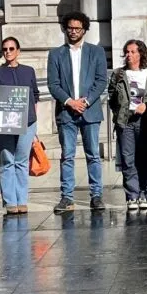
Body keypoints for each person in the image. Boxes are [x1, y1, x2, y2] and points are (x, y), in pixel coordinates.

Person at [47, 11, 108, 213]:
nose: (73, 32)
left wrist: (86, 101)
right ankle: (67, 197)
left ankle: (96, 195)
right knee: (68, 156)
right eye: (70, 28)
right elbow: (53, 84)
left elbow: (101, 81)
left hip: (90, 111)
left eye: (78, 28)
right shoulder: (56, 54)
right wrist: (70, 102)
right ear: (65, 28)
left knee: (93, 155)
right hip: (67, 112)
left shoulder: (96, 52)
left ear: (84, 30)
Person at [0, 37, 39, 215]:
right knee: (7, 161)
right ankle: (10, 201)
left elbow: (35, 95)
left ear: (18, 50)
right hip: (3, 125)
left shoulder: (29, 71)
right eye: (5, 49)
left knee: (22, 162)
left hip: (28, 122)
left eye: (11, 48)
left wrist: (35, 123)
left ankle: (22, 200)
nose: (8, 52)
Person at [108, 40, 147, 211]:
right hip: (126, 122)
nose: (129, 55)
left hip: (146, 122)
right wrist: (119, 112)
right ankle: (132, 195)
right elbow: (111, 97)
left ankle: (144, 193)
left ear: (141, 53)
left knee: (145, 159)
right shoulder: (119, 74)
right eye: (126, 52)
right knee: (128, 160)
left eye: (132, 52)